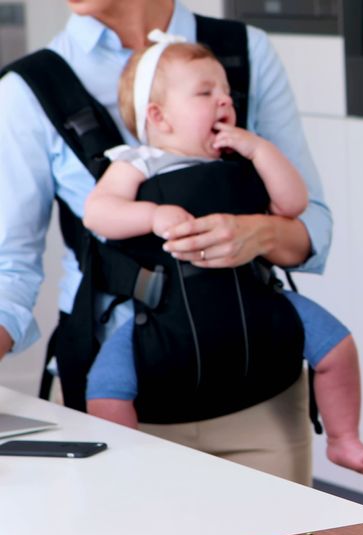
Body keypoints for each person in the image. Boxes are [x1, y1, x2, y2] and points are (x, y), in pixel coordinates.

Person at [0, 1, 334, 483]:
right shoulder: (30, 88)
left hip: (259, 394)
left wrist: (255, 233)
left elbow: (312, 224)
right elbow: (10, 271)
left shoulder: (243, 53)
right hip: (118, 392)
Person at [80, 35, 363, 477]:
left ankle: (343, 438)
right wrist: (153, 214)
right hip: (165, 313)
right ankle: (128, 467)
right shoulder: (139, 162)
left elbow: (293, 204)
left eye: (226, 93)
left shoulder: (243, 159)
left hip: (254, 298)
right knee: (105, 388)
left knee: (338, 347)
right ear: (158, 117)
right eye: (205, 93)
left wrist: (258, 149)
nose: (224, 101)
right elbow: (98, 213)